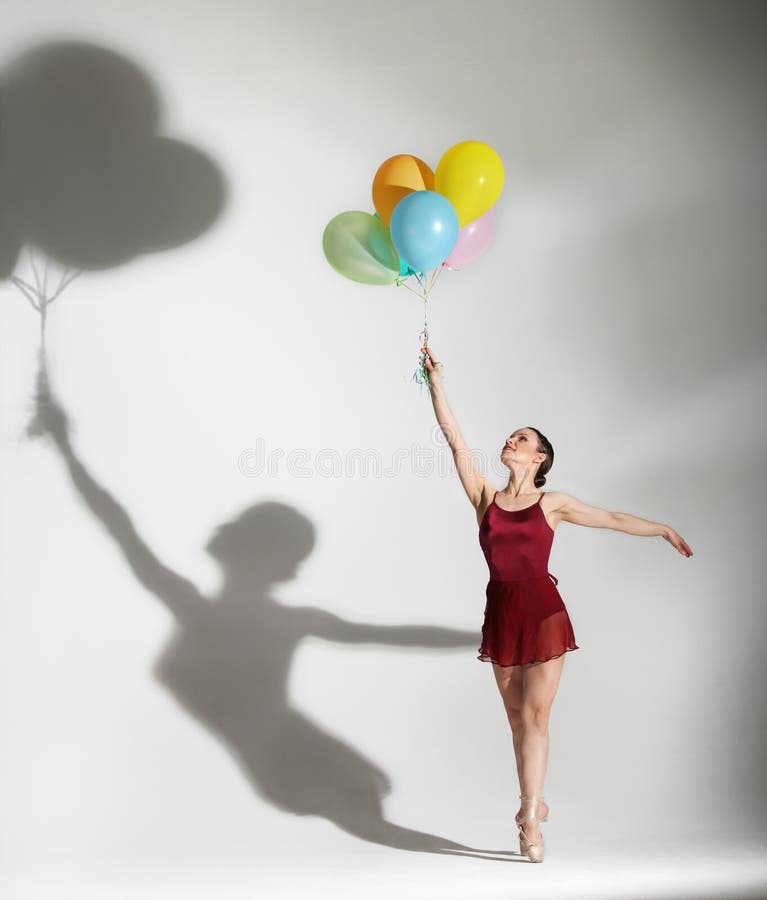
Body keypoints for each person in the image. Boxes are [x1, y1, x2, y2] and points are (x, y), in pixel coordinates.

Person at [421, 345, 693, 862]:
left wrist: (660, 528)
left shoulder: (553, 503)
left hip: (544, 614)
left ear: (538, 456)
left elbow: (611, 518)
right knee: (516, 722)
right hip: (500, 616)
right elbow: (455, 441)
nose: (510, 440)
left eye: (520, 438)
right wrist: (435, 382)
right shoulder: (484, 497)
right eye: (510, 436)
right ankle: (537, 800)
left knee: (538, 715)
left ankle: (528, 819)